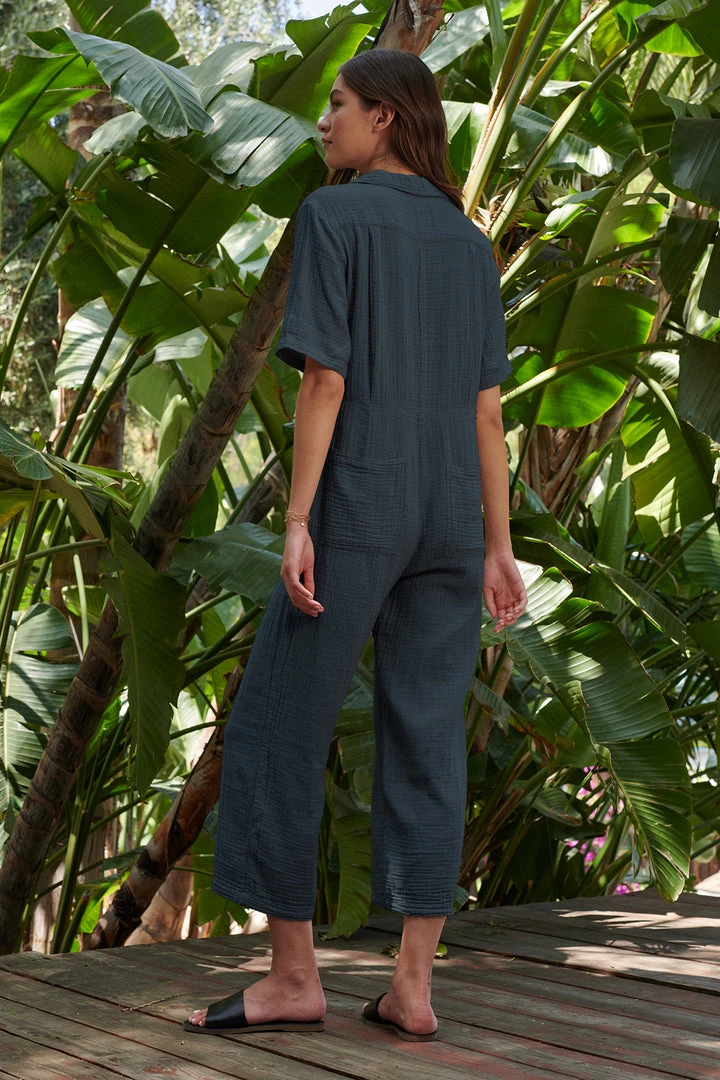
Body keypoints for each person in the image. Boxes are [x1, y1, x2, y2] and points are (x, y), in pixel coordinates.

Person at [184, 49, 527, 1043]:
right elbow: (487, 410)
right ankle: (412, 989)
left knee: (275, 727)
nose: (322, 121)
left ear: (384, 117)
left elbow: (325, 381)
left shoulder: (332, 217)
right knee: (426, 738)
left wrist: (297, 521)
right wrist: (498, 546)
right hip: (452, 518)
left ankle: (294, 978)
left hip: (359, 508)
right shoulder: (470, 245)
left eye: (337, 104)